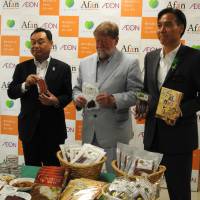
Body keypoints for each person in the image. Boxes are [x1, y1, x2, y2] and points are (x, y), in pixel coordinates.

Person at [135, 8, 200, 200]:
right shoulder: (151, 57)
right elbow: (146, 91)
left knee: (179, 191)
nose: (162, 29)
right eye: (159, 25)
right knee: (147, 190)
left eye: (168, 24)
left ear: (181, 28)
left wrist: (181, 111)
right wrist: (141, 105)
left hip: (179, 138)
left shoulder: (194, 58)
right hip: (153, 136)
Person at [73, 21, 143, 172]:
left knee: (115, 179)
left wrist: (113, 100)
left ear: (116, 41)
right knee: (88, 179)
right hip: (89, 132)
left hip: (115, 133)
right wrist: (77, 98)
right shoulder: (85, 63)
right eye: (97, 41)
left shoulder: (130, 63)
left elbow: (137, 94)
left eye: (104, 42)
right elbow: (77, 89)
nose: (99, 45)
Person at [7, 28, 72, 166]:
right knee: (31, 172)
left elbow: (68, 95)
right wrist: (25, 84)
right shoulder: (22, 67)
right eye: (33, 42)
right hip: (29, 130)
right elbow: (11, 92)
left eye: (40, 42)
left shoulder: (63, 68)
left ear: (51, 43)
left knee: (52, 174)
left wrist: (56, 101)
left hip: (53, 130)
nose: (35, 46)